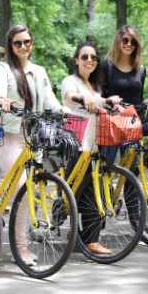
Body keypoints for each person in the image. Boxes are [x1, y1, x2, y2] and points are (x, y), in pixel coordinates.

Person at [0, 25, 62, 264]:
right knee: (22, 189)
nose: (23, 47)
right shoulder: (3, 69)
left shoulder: (39, 71)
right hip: (10, 136)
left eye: (27, 42)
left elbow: (50, 98)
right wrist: (2, 101)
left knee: (25, 190)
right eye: (17, 43)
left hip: (33, 138)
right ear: (10, 46)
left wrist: (64, 112)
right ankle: (20, 248)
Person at [60, 41, 111, 256]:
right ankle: (79, 236)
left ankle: (89, 240)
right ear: (76, 60)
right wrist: (84, 99)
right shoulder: (70, 81)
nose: (89, 60)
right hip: (76, 141)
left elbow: (100, 102)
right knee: (78, 190)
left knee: (91, 189)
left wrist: (109, 101)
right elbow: (70, 96)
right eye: (84, 57)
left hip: (94, 143)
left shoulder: (95, 86)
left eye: (93, 57)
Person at [96, 25, 147, 162]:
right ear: (118, 42)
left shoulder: (141, 70)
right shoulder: (106, 66)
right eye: (125, 40)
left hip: (131, 124)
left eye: (133, 42)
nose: (129, 44)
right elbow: (99, 98)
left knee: (131, 169)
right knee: (106, 168)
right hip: (110, 124)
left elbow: (139, 99)